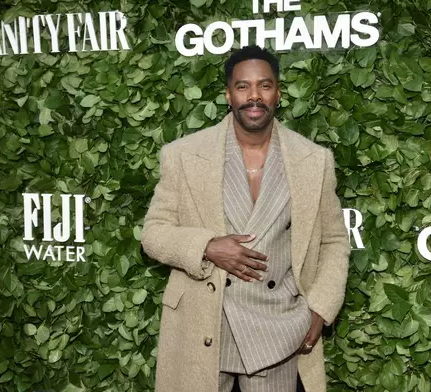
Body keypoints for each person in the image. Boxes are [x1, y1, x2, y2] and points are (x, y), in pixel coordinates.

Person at [141, 45, 351, 392]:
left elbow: (333, 240)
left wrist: (320, 309)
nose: (254, 96)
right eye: (243, 86)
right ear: (228, 94)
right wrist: (207, 247)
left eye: (264, 86)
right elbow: (153, 234)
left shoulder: (314, 160)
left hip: (279, 329)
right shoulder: (183, 155)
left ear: (278, 93)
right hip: (207, 323)